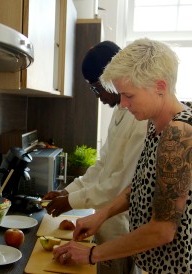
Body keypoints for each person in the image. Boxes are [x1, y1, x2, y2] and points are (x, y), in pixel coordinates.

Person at [52, 38, 192, 273]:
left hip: (185, 267)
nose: (122, 104)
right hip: (159, 264)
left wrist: (91, 254)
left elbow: (162, 230)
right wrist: (102, 215)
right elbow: (141, 183)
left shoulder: (180, 135)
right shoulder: (158, 125)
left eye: (129, 96)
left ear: (160, 87)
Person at [43, 41, 148, 274]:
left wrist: (71, 201)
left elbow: (121, 185)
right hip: (104, 227)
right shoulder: (121, 111)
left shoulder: (140, 118)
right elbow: (103, 166)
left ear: (113, 77)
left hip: (123, 231)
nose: (97, 96)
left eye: (96, 87)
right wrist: (67, 191)